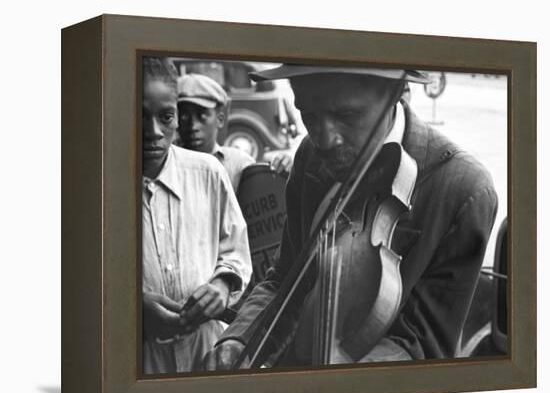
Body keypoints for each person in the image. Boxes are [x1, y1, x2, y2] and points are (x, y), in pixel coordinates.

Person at [204, 65, 498, 369]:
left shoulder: (463, 189)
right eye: (309, 115)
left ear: (396, 93)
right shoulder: (309, 155)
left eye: (347, 117)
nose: (324, 139)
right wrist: (238, 340)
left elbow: (423, 347)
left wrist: (321, 379)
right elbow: (285, 276)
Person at [141, 57, 251, 374]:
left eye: (166, 117)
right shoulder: (99, 182)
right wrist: (134, 311)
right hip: (139, 360)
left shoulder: (208, 172)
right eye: (140, 116)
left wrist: (221, 285)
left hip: (207, 352)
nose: (153, 132)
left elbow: (236, 252)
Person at [177, 73, 293, 192]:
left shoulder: (239, 164)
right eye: (184, 116)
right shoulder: (170, 165)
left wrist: (284, 170)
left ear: (220, 119)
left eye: (202, 116)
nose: (193, 125)